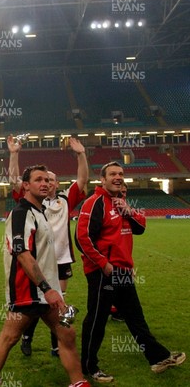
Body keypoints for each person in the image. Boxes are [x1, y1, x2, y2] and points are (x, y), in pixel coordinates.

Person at [75, 161, 185, 382]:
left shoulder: (121, 203)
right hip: (103, 272)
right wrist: (103, 263)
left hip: (123, 271)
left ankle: (158, 358)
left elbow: (141, 228)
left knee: (136, 318)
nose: (118, 177)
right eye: (113, 174)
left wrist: (129, 211)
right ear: (102, 179)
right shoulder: (94, 202)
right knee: (96, 320)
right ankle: (88, 368)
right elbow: (82, 238)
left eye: (121, 173)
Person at [0, 165, 89, 387]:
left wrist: (51, 289)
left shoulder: (40, 212)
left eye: (47, 180)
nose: (45, 183)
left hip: (48, 290)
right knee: (10, 337)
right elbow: (22, 254)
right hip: (27, 290)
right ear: (26, 186)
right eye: (38, 180)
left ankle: (78, 382)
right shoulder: (21, 213)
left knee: (67, 333)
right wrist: (46, 288)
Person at [8, 135, 88, 357]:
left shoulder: (65, 200)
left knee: (56, 303)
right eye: (43, 179)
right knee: (38, 303)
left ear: (56, 183)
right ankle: (27, 336)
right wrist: (14, 154)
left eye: (51, 180)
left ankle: (56, 345)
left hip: (60, 260)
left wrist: (81, 155)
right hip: (37, 260)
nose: (48, 183)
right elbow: (15, 180)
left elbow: (82, 181)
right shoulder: (31, 204)